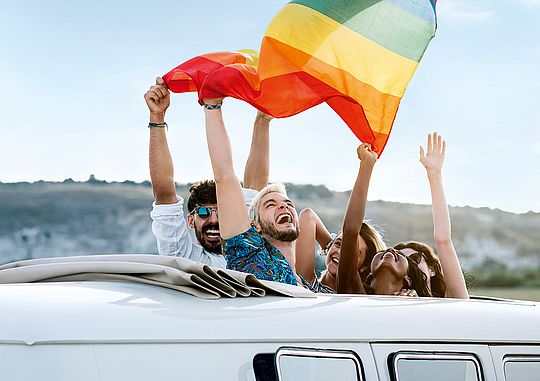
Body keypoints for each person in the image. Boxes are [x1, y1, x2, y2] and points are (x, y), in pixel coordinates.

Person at [144, 77, 271, 267]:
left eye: (220, 212)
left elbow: (254, 186)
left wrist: (264, 117)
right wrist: (157, 117)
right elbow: (164, 193)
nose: (213, 220)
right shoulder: (183, 255)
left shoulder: (246, 243)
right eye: (203, 212)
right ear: (190, 220)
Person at [202, 97, 308, 286]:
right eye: (271, 204)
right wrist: (212, 106)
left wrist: (263, 119)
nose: (283, 205)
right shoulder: (249, 253)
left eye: (288, 203)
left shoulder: (309, 285)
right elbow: (225, 176)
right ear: (255, 225)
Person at [394, 132, 469, 299]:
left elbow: (443, 239)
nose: (409, 264)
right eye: (401, 260)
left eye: (415, 258)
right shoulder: (388, 300)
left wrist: (434, 175)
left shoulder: (452, 300)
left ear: (433, 269)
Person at [295, 208, 385, 292]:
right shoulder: (308, 282)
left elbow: (308, 217)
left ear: (365, 266)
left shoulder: (354, 296)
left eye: (351, 253)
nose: (340, 252)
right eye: (338, 244)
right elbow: (308, 215)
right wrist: (331, 248)